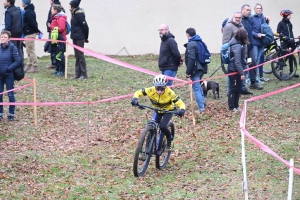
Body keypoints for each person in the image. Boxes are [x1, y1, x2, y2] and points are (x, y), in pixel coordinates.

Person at [131, 75, 185, 150]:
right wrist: (135, 99)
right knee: (152, 125)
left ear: (165, 86)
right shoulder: (151, 90)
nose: (159, 91)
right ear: (155, 87)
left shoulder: (170, 93)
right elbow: (138, 92)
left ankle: (169, 139)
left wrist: (182, 110)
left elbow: (180, 103)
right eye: (157, 88)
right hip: (157, 110)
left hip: (168, 111)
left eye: (162, 88)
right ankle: (147, 150)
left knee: (162, 126)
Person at [222, 12, 252, 95]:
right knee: (232, 74)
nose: (238, 19)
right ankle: (230, 90)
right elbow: (225, 43)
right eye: (236, 17)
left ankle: (242, 88)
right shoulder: (228, 27)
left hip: (243, 53)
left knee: (244, 71)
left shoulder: (241, 25)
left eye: (239, 17)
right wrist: (231, 53)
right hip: (234, 55)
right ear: (233, 17)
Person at [241, 4, 263, 90]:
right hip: (243, 48)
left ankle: (253, 82)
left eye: (249, 10)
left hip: (250, 46)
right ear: (242, 10)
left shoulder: (250, 19)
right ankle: (242, 85)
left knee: (252, 63)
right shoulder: (240, 20)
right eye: (247, 10)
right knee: (244, 65)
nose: (248, 11)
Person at [0, 30, 20, 121]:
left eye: (4, 37)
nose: (3, 38)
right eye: (1, 37)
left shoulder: (13, 48)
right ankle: (0, 113)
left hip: (9, 76)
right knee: (0, 95)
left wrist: (8, 68)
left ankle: (11, 114)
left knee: (10, 94)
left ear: (8, 38)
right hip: (0, 76)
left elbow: (17, 61)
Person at [185, 28, 206, 113]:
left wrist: (188, 72)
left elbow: (191, 58)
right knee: (199, 86)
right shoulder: (200, 41)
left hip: (195, 69)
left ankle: (201, 108)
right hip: (202, 67)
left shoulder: (191, 44)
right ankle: (203, 103)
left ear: (188, 35)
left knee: (196, 88)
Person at [227, 29, 248, 111]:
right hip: (234, 71)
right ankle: (232, 106)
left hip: (237, 70)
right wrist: (242, 73)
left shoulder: (240, 44)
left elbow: (241, 58)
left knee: (238, 89)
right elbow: (237, 62)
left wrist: (245, 62)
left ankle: (236, 105)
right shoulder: (237, 46)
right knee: (234, 89)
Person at [69, 0, 89, 80]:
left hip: (80, 37)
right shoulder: (73, 14)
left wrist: (86, 38)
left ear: (73, 6)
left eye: (70, 5)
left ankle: (84, 74)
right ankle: (77, 74)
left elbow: (85, 27)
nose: (69, 6)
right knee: (77, 56)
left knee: (80, 56)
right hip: (75, 37)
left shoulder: (79, 14)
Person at [277, 9, 299, 78]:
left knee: (291, 57)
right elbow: (278, 33)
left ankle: (292, 71)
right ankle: (281, 72)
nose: (290, 16)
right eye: (289, 15)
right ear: (286, 15)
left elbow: (291, 33)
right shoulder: (280, 23)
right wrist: (284, 37)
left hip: (290, 42)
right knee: (282, 57)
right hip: (284, 42)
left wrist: (293, 39)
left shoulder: (290, 23)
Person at [251, 3, 269, 82]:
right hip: (254, 42)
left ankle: (256, 77)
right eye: (257, 8)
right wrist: (256, 35)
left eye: (260, 8)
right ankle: (251, 78)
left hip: (261, 42)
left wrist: (267, 22)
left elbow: (265, 28)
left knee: (258, 60)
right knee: (254, 60)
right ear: (255, 9)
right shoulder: (251, 18)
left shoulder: (263, 17)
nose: (259, 9)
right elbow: (249, 30)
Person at [47, 4, 67, 76]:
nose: (51, 10)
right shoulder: (55, 18)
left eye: (52, 9)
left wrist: (52, 27)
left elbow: (61, 28)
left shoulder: (61, 18)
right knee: (55, 55)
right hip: (55, 39)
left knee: (59, 55)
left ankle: (62, 70)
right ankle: (57, 69)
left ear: (56, 10)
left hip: (60, 39)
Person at [22, 0, 41, 73]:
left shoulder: (28, 12)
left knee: (31, 50)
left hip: (30, 33)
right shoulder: (28, 11)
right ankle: (29, 64)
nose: (21, 3)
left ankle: (34, 65)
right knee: (28, 50)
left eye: (22, 1)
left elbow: (32, 23)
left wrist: (37, 30)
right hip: (27, 33)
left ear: (25, 3)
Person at [45, 0, 62, 69]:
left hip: (55, 32)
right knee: (51, 47)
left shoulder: (57, 8)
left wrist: (50, 25)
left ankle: (55, 63)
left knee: (55, 48)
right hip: (52, 31)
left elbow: (59, 25)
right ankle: (53, 63)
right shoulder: (53, 8)